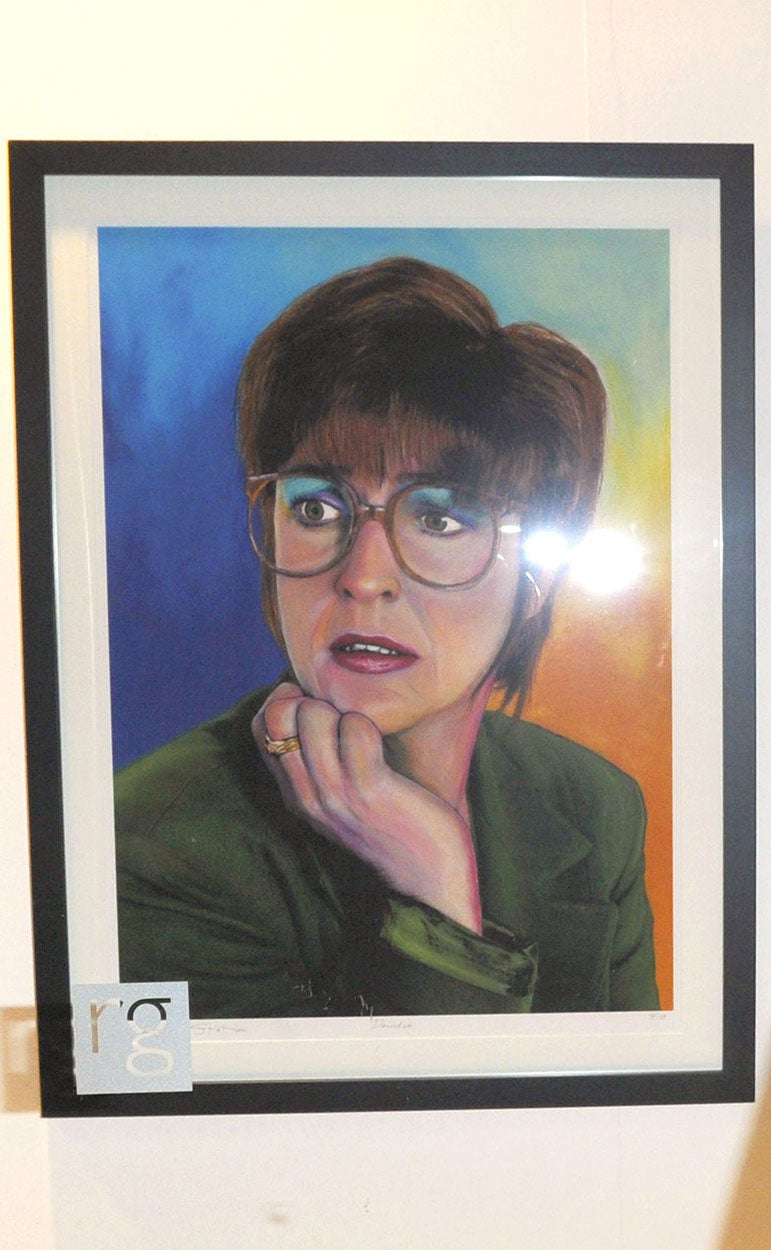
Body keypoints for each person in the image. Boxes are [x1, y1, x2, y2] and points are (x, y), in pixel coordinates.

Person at [115, 256, 658, 1017]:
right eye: (316, 508)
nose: (364, 577)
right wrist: (437, 901)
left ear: (535, 574)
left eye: (439, 517)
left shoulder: (595, 807)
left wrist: (435, 867)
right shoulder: (151, 845)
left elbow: (632, 1120)